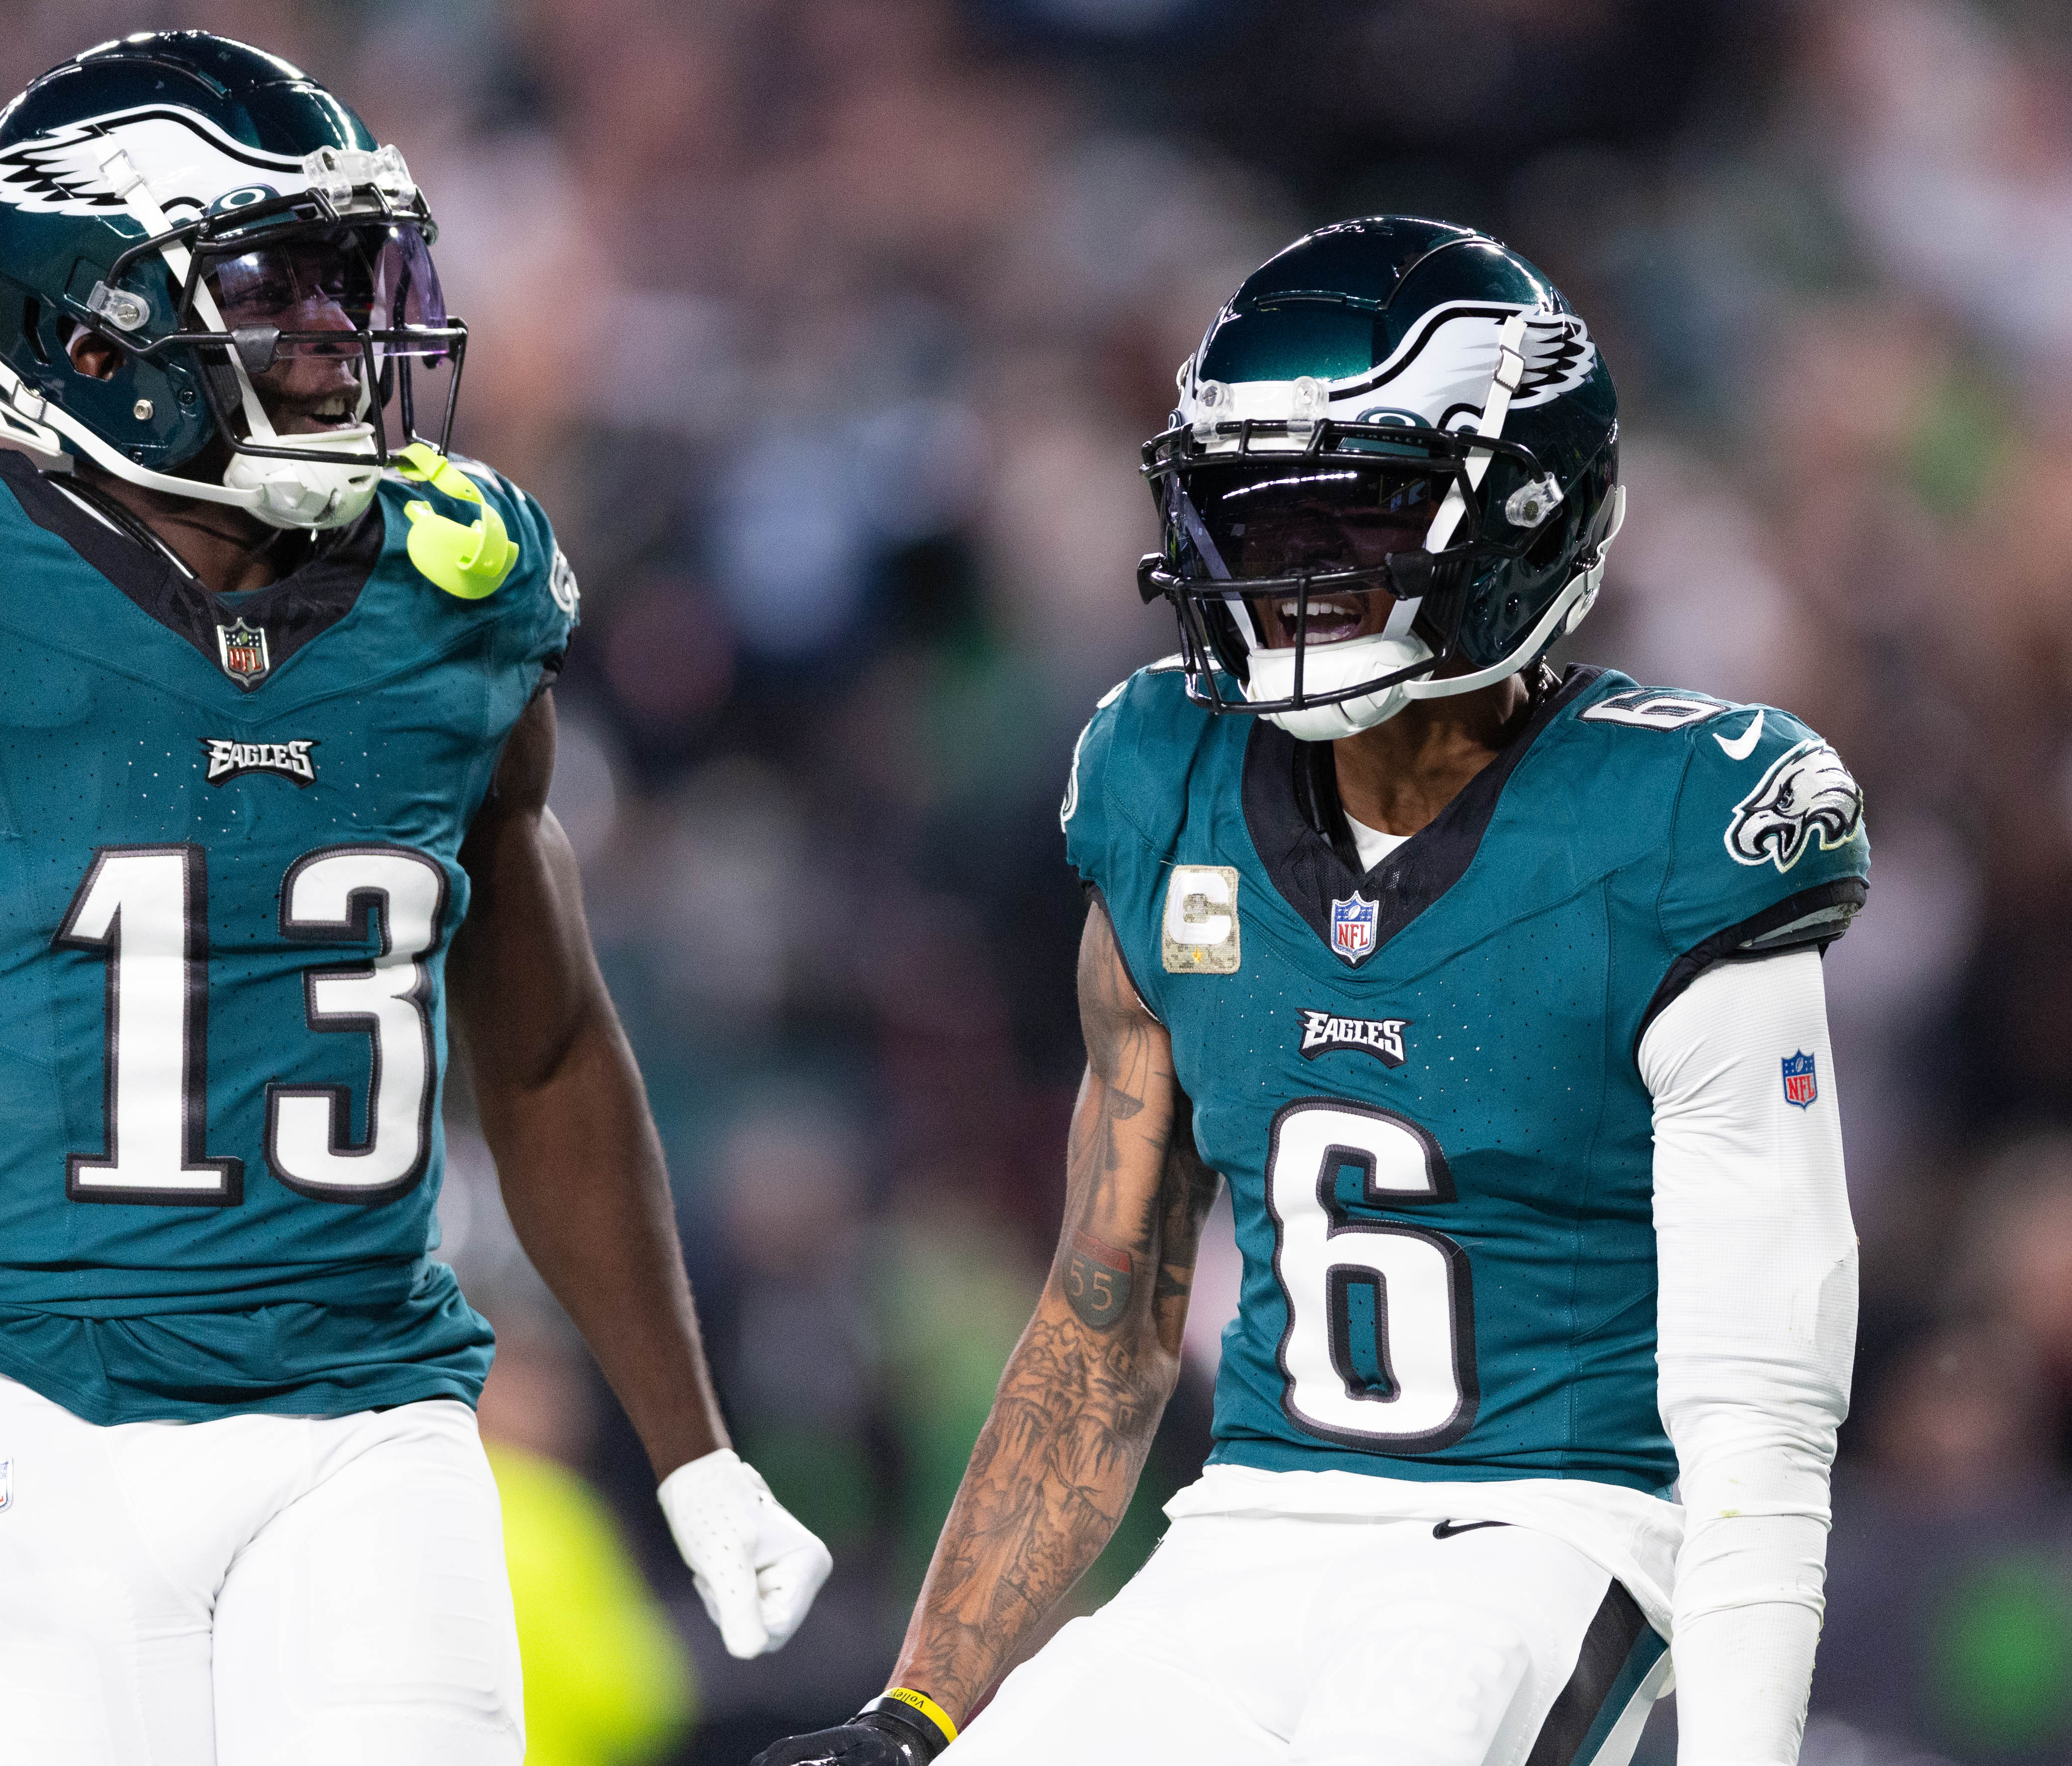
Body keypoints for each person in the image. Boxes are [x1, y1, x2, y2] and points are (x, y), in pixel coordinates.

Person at [0, 33, 828, 1762]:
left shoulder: (451, 595)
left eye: (355, 281)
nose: (345, 334)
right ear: (95, 327)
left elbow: (552, 1052)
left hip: (376, 1418)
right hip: (42, 1419)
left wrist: (695, 1446)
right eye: (279, 288)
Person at [756, 217, 1868, 1766]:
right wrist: (920, 1705)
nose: (1285, 572)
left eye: (1352, 516)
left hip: (1550, 1525)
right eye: (1254, 516)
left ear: (1523, 516)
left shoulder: (1681, 818)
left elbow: (1762, 1406)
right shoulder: (1164, 777)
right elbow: (1106, 1311)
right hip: (1251, 1526)